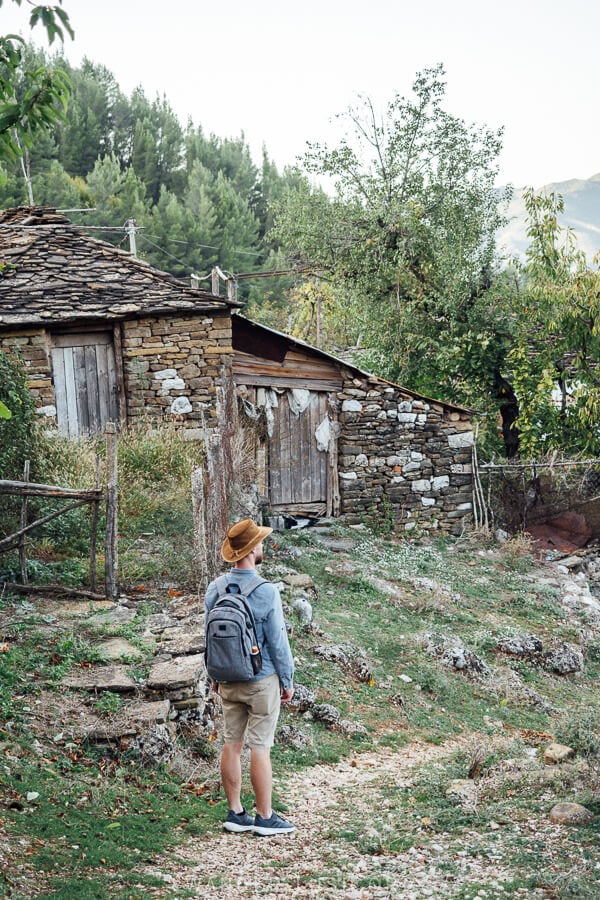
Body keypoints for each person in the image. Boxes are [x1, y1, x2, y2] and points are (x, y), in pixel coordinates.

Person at [205, 518, 296, 836]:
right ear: (252, 550)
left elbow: (209, 639)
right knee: (260, 747)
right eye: (259, 542)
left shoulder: (214, 589)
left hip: (227, 681)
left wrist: (214, 676)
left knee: (231, 744)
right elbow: (278, 641)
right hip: (262, 679)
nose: (262, 545)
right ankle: (266, 817)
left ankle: (235, 813)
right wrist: (287, 680)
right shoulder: (266, 591)